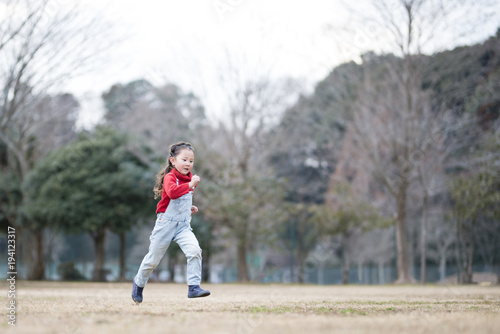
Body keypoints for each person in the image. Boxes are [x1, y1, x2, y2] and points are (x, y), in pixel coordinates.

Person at [132, 142, 210, 303]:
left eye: (191, 161)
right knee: (152, 260)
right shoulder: (170, 177)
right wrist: (190, 185)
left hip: (183, 226)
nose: (188, 164)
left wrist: (189, 208)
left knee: (195, 250)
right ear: (173, 161)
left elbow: (180, 202)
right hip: (165, 225)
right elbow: (173, 193)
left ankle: (194, 287)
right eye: (184, 160)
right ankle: (138, 284)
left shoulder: (190, 179)